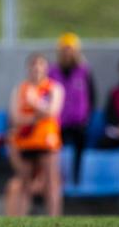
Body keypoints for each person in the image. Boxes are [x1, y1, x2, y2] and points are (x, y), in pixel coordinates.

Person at [5, 52, 64, 216]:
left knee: (51, 182)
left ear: (46, 68)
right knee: (24, 184)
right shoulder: (21, 89)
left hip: (46, 141)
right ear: (28, 68)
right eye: (33, 65)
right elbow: (16, 118)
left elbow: (53, 111)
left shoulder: (53, 88)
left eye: (40, 64)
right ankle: (22, 219)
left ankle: (54, 220)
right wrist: (38, 117)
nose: (37, 68)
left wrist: (34, 103)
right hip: (26, 140)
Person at [48, 32, 95, 182]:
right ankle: (56, 179)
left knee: (80, 151)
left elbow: (92, 94)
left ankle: (78, 179)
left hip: (78, 120)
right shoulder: (52, 72)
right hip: (58, 120)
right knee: (54, 153)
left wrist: (87, 116)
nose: (67, 53)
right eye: (64, 49)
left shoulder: (84, 71)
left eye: (70, 49)